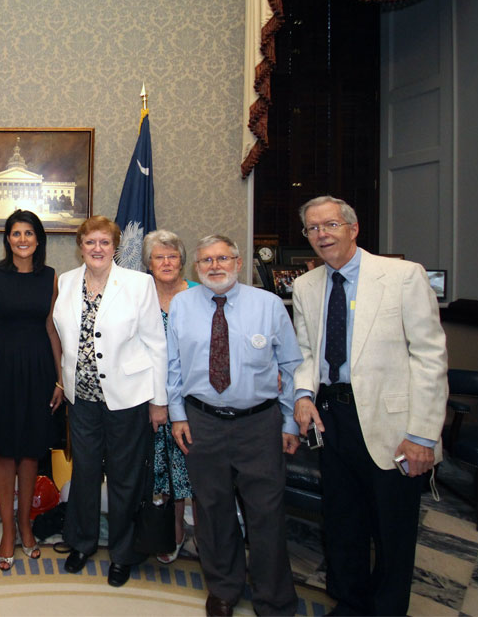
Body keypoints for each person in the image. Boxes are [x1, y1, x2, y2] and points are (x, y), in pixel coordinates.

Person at [291, 196, 448, 616]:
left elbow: (430, 357)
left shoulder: (402, 276)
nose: (322, 235)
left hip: (392, 422)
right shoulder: (305, 286)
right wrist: (304, 395)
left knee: (392, 527)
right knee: (344, 521)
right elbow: (307, 352)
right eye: (312, 228)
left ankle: (387, 608)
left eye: (330, 225)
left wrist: (421, 435)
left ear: (353, 228)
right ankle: (351, 600)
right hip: (332, 419)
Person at [167, 235, 302, 617]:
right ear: (197, 267)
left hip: (259, 424)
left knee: (266, 513)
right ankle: (224, 588)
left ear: (238, 263)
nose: (214, 266)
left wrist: (290, 421)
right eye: (206, 260)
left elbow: (291, 366)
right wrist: (177, 414)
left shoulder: (269, 305)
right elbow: (173, 365)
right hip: (201, 422)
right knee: (212, 510)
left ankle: (274, 599)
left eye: (222, 258)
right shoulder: (182, 305)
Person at [52, 217, 167, 587]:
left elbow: (156, 345)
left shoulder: (138, 283)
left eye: (104, 242)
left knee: (124, 477)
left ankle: (122, 553)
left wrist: (159, 401)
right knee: (84, 472)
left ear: (114, 247)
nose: (97, 248)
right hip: (82, 398)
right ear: (80, 246)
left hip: (128, 398)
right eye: (90, 242)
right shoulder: (67, 282)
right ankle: (82, 542)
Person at [0, 209, 63, 571]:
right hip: (2, 369)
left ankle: (27, 524)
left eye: (29, 233)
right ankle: (8, 530)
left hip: (40, 369)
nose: (22, 239)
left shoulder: (52, 278)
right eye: (15, 233)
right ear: (7, 239)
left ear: (38, 239)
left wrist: (60, 380)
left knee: (31, 451)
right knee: (6, 451)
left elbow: (53, 330)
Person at [143, 229, 197, 564]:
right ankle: (169, 529)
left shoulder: (197, 294)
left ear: (182, 261)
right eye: (158, 257)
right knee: (159, 469)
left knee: (190, 467)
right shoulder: (139, 293)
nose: (166, 262)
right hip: (149, 397)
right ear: (148, 263)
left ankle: (200, 532)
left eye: (172, 256)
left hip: (190, 396)